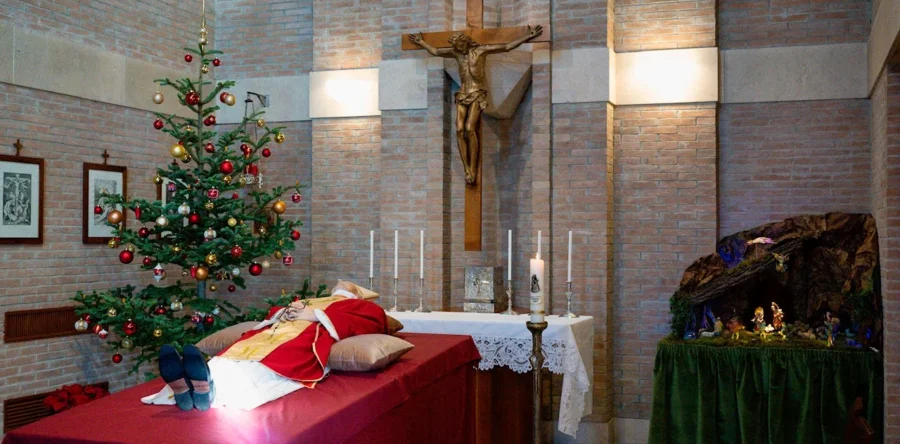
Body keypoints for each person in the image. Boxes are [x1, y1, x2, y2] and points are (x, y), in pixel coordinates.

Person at [153, 283, 388, 411]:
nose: (339, 285)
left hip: (305, 336)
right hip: (272, 332)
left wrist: (315, 315)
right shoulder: (311, 300)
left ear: (356, 294)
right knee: (235, 353)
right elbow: (274, 312)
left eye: (346, 284)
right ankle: (193, 384)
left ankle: (203, 389)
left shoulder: (361, 306)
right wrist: (284, 312)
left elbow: (375, 322)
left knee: (264, 363)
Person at [408, 25, 543, 185]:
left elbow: (505, 47)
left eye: (459, 44)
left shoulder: (480, 51)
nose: (457, 48)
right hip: (462, 94)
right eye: (455, 46)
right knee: (459, 129)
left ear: (465, 42)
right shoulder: (456, 53)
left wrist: (527, 37)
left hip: (478, 93)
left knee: (470, 128)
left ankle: (473, 168)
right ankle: (467, 168)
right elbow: (436, 52)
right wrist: (421, 42)